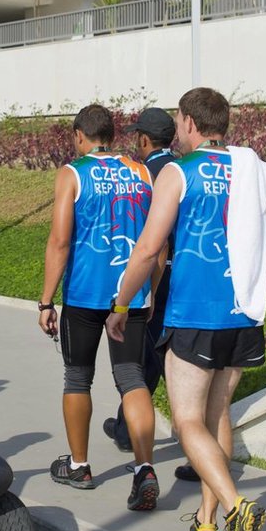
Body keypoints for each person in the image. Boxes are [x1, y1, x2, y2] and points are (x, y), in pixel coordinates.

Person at [106, 87, 266, 531]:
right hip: (245, 314)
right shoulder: (257, 173)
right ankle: (207, 523)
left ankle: (237, 509)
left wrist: (122, 303)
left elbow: (148, 248)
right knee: (217, 416)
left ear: (188, 123)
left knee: (187, 421)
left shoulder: (178, 171)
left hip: (193, 313)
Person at [38, 104, 160, 512]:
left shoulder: (72, 173)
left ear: (79, 136)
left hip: (85, 295)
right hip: (131, 294)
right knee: (132, 378)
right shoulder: (142, 172)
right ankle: (145, 468)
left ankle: (79, 466)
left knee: (77, 378)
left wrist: (45, 300)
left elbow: (59, 241)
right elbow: (157, 243)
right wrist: (151, 290)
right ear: (112, 134)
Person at [105, 107, 177, 457]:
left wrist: (145, 286)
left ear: (144, 139)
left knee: (152, 357)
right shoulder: (183, 168)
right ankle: (124, 427)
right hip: (189, 272)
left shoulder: (144, 175)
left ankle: (190, 438)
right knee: (154, 357)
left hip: (157, 272)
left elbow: (152, 241)